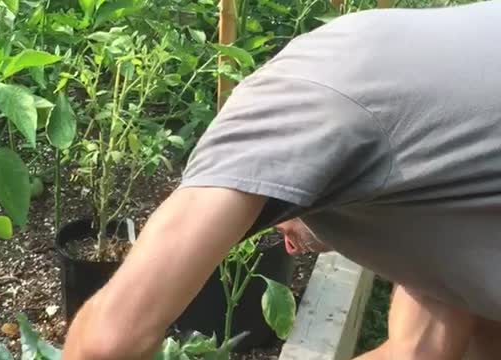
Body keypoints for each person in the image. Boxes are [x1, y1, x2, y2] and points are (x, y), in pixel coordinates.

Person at [61, 1, 501, 359]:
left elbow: (103, 344)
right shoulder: (425, 151)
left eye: (277, 224)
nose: (285, 243)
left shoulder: (275, 122)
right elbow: (422, 348)